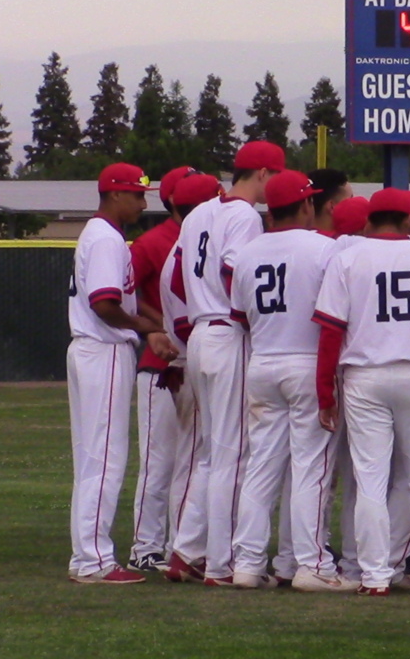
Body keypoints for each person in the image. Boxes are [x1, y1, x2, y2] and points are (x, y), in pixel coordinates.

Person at [314, 188, 410, 596]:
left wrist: (326, 391)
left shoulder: (347, 258)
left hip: (363, 377)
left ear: (367, 221)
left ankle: (375, 576)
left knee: (371, 480)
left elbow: (330, 333)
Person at [227, 170, 353, 591]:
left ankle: (246, 564)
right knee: (310, 468)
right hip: (307, 363)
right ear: (306, 205)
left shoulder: (246, 253)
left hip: (262, 362)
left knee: (261, 468)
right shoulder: (324, 248)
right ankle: (312, 564)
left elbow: (240, 317)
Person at [166, 140, 284, 586]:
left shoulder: (199, 212)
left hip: (199, 333)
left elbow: (178, 275)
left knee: (214, 455)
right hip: (228, 333)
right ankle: (222, 563)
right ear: (265, 174)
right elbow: (237, 272)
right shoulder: (243, 216)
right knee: (233, 454)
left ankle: (187, 550)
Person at [67, 163, 175, 584]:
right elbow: (105, 305)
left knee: (93, 459)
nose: (142, 201)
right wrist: (148, 329)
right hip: (103, 351)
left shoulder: (101, 235)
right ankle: (94, 560)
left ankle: (86, 557)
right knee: (105, 460)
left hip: (92, 351)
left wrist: (149, 326)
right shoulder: (107, 239)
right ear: (114, 194)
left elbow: (117, 303)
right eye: (135, 194)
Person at [126, 166, 196, 573]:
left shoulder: (207, 237)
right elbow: (122, 292)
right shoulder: (152, 242)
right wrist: (157, 327)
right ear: (172, 201)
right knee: (160, 461)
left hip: (200, 362)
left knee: (193, 463)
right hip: (160, 366)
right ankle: (145, 546)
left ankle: (181, 546)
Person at [157, 173, 223, 572]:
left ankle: (185, 547)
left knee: (201, 458)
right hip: (193, 360)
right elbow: (184, 323)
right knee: (201, 459)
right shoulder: (185, 255)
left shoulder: (183, 249)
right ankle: (183, 547)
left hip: (190, 358)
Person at [310, 168, 354, 238]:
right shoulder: (344, 244)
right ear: (332, 206)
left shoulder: (295, 239)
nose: (355, 205)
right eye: (351, 200)